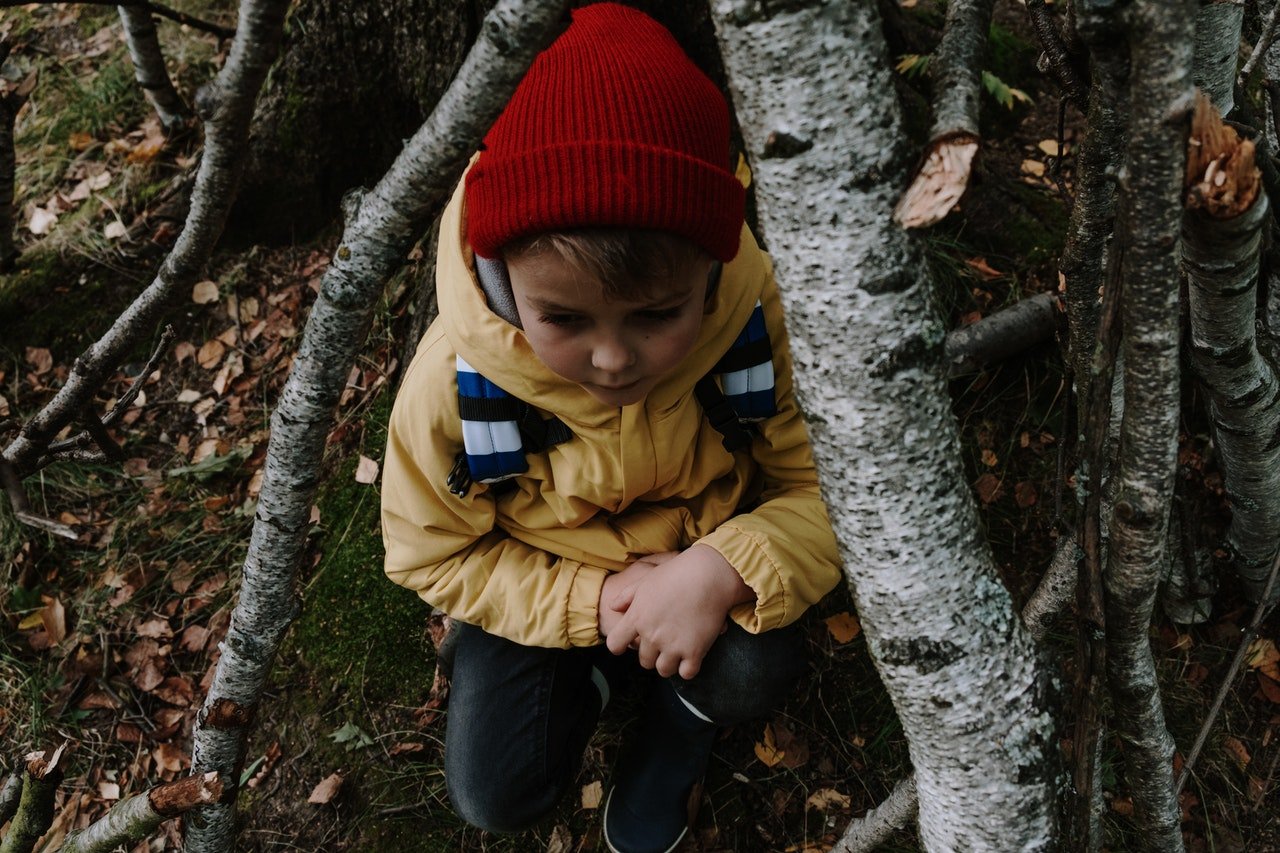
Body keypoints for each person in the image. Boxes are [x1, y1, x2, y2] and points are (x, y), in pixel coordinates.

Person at [380, 4, 841, 851]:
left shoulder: (755, 320)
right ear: (505, 276)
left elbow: (830, 489)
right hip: (548, 575)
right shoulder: (455, 381)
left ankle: (678, 726)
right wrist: (593, 607)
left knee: (760, 662)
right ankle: (599, 667)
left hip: (705, 558)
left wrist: (721, 570)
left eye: (656, 315)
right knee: (494, 790)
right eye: (566, 319)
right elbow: (431, 550)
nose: (612, 360)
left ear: (712, 267)